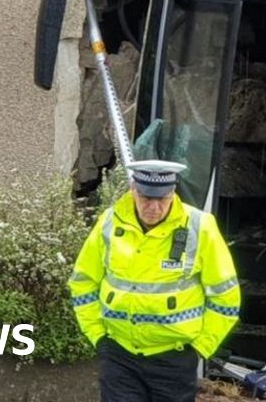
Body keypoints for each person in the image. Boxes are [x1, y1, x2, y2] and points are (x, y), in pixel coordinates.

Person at [69, 159, 241, 402]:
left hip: (174, 358)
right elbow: (82, 281)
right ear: (133, 190)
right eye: (146, 198)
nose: (154, 207)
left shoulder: (200, 227)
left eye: (162, 199)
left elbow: (226, 297)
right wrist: (98, 336)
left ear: (173, 193)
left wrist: (200, 349)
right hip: (120, 355)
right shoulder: (109, 222)